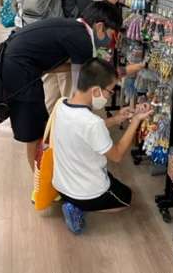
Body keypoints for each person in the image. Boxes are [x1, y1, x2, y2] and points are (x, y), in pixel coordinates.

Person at [0, 1, 123, 171]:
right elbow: (81, 89)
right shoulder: (84, 41)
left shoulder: (75, 28)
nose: (110, 42)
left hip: (17, 63)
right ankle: (38, 181)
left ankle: (44, 172)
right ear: (100, 26)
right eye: (112, 35)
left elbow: (57, 67)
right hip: (19, 71)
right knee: (33, 132)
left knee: (38, 125)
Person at [52, 58, 153, 233]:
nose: (109, 96)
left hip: (60, 184)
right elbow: (117, 155)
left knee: (109, 178)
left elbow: (83, 131)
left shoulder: (62, 104)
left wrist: (117, 119)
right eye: (110, 91)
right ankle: (78, 207)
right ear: (96, 90)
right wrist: (136, 120)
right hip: (85, 193)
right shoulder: (92, 123)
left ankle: (71, 201)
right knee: (127, 198)